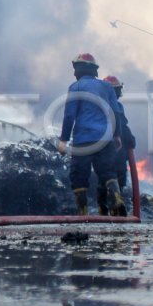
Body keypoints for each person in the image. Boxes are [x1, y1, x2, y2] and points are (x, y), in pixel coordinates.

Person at [57, 53, 125, 216]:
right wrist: (117, 135)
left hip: (83, 140)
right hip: (105, 139)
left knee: (79, 175)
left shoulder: (75, 87)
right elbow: (116, 113)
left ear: (78, 70)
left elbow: (69, 115)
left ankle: (83, 212)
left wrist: (64, 140)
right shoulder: (107, 87)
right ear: (94, 70)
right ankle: (116, 198)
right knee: (107, 172)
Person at [103, 75, 136, 199]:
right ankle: (117, 207)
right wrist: (131, 141)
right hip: (117, 153)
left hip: (101, 154)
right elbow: (122, 127)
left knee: (103, 183)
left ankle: (104, 213)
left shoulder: (96, 106)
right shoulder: (116, 107)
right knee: (118, 183)